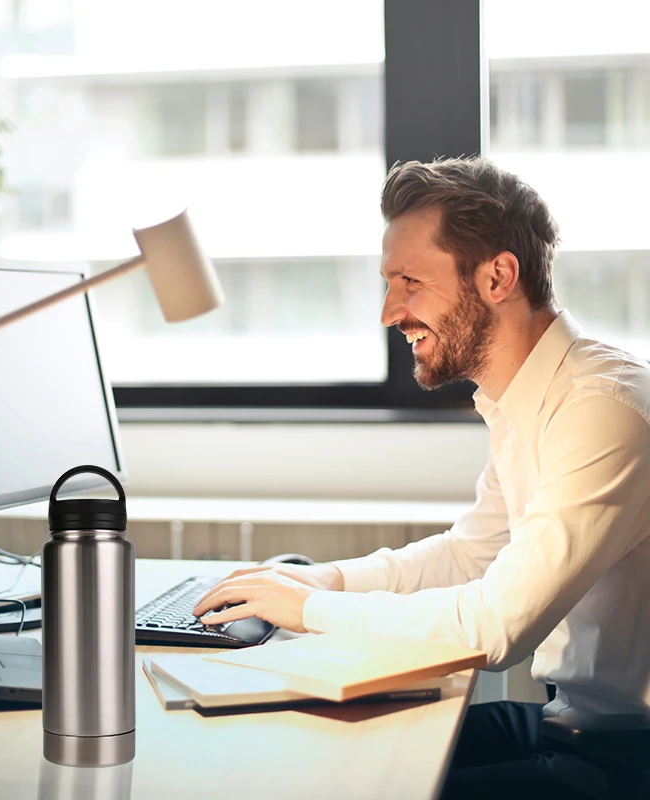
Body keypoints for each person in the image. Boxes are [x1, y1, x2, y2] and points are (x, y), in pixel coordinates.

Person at [193, 157, 650, 799]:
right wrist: (326, 579)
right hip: (566, 724)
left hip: (626, 759)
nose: (388, 312)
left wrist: (308, 609)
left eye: (409, 281)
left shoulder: (602, 409)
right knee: (318, 750)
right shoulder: (528, 398)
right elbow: (470, 555)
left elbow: (495, 628)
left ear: (498, 277)